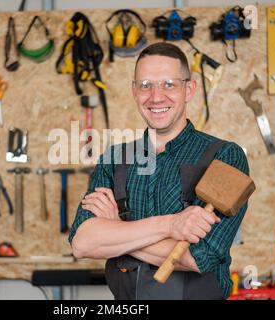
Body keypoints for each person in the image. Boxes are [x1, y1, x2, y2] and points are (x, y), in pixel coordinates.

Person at [68, 42, 249, 300]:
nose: (156, 96)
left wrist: (118, 228)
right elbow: (83, 242)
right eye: (145, 85)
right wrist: (170, 225)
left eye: (169, 84)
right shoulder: (114, 159)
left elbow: (200, 258)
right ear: (134, 90)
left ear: (189, 89)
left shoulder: (225, 156)